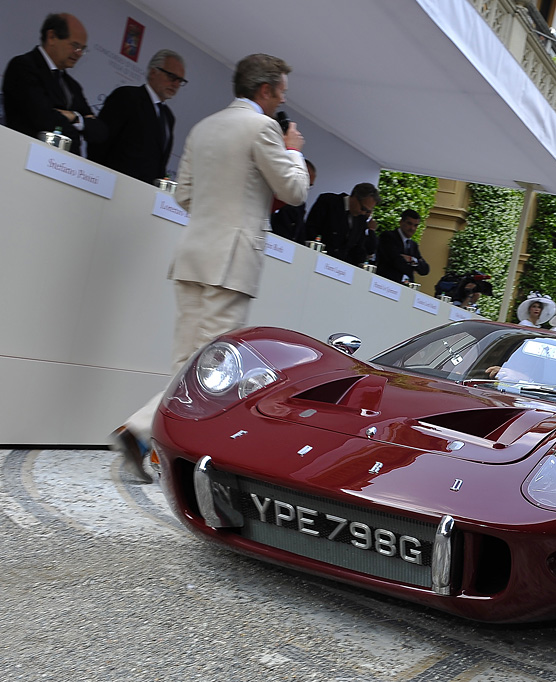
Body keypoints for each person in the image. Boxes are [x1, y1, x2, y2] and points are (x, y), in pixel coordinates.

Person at [109, 53, 309, 482]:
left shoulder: (204, 127)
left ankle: (159, 447)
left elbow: (184, 195)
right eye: (281, 92)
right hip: (231, 261)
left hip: (193, 253)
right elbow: (293, 190)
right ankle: (141, 431)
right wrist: (293, 153)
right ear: (265, 90)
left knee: (186, 360)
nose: (281, 101)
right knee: (212, 368)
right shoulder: (264, 128)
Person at [2, 13, 107, 155]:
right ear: (52, 37)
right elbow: (42, 118)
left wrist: (75, 118)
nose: (79, 54)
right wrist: (80, 126)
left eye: (82, 49)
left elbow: (99, 133)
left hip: (63, 167)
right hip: (23, 156)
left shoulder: (72, 86)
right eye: (75, 46)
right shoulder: (24, 66)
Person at [89, 49, 185, 183]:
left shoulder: (168, 117)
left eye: (180, 80)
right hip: (112, 184)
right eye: (171, 77)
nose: (175, 84)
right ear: (153, 72)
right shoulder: (127, 96)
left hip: (144, 193)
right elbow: (100, 142)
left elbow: (159, 162)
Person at [304, 183, 380, 265]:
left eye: (367, 211)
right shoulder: (329, 202)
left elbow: (358, 248)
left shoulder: (361, 220)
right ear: (355, 197)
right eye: (363, 208)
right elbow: (310, 229)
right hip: (315, 259)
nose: (363, 212)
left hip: (340, 268)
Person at [375, 209, 429, 283]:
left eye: (415, 225)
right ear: (401, 222)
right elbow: (395, 261)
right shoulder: (388, 236)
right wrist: (413, 266)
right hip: (385, 283)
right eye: (409, 223)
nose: (412, 228)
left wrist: (411, 259)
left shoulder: (413, 245)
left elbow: (425, 270)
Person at [271, 159, 316, 243]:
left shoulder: (299, 204)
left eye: (309, 186)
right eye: (305, 183)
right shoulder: (270, 192)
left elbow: (299, 234)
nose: (305, 189)